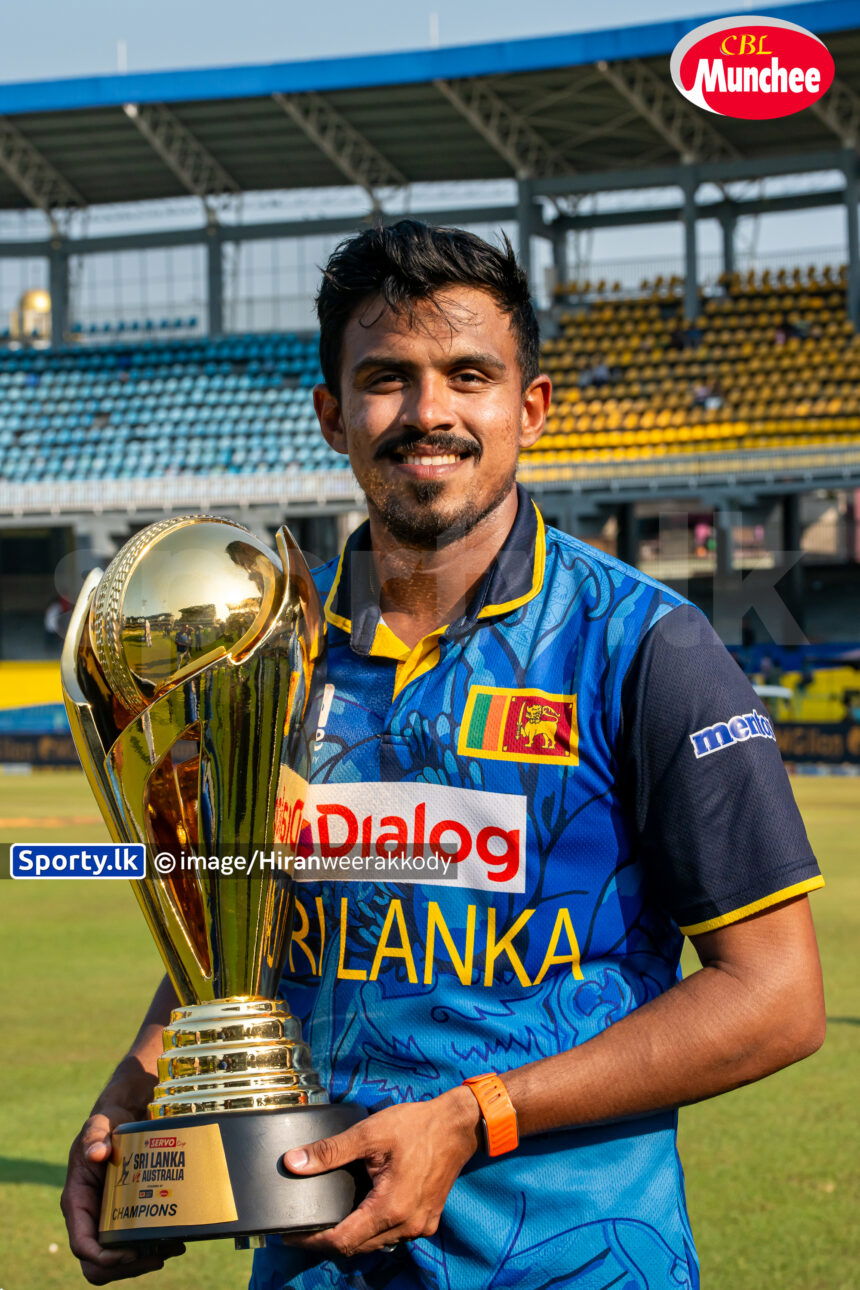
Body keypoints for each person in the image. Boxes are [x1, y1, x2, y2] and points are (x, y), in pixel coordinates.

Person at [62, 221, 825, 1290]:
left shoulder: (643, 647)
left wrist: (475, 1116)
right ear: (331, 413)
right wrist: (134, 1097)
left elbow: (774, 997)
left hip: (579, 1263)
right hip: (313, 1266)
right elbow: (234, 930)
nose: (429, 414)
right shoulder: (264, 656)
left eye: (468, 374)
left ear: (531, 407)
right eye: (386, 378)